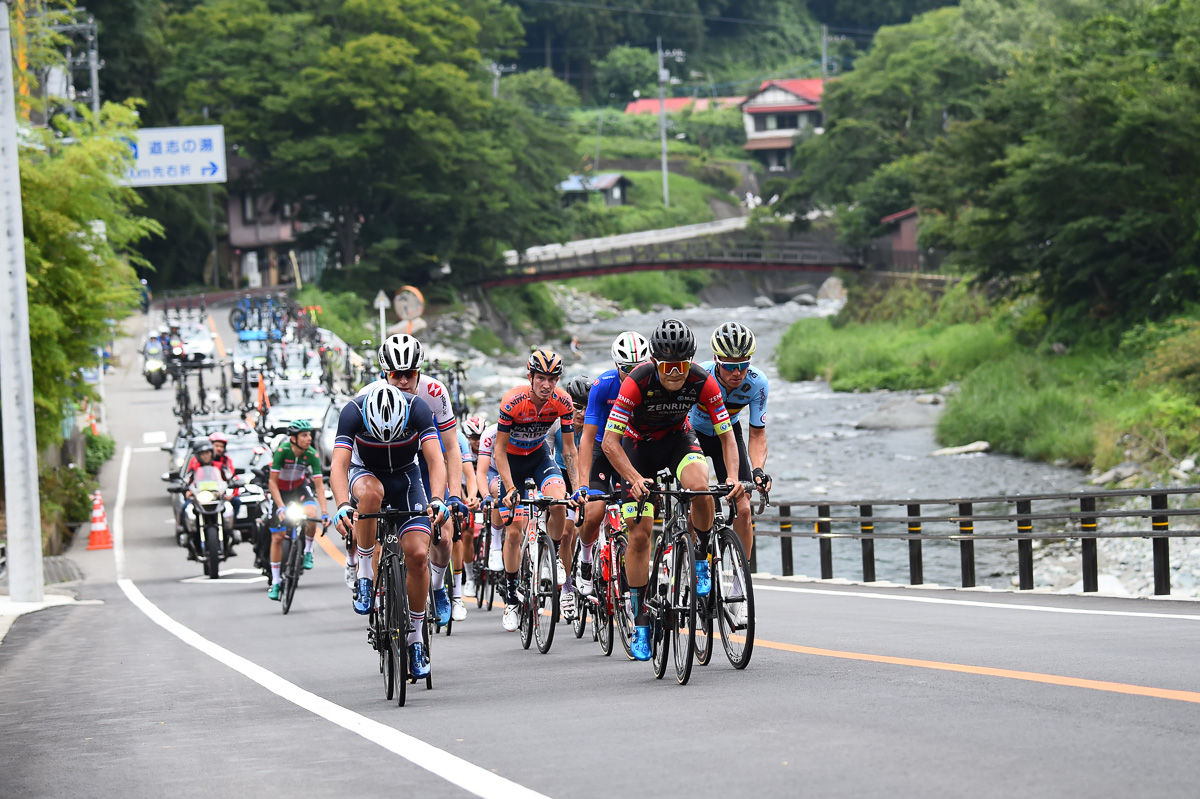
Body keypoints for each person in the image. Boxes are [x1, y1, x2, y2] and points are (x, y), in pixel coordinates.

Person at [601, 319, 745, 661]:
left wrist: (735, 477)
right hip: (637, 451)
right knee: (639, 535)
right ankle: (641, 622)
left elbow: (727, 435)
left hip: (678, 441)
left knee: (701, 487)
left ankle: (700, 560)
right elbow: (609, 442)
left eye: (682, 365)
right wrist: (634, 478)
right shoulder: (637, 382)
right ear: (655, 362)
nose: (676, 374)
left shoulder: (701, 380)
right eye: (668, 367)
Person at [331, 383, 448, 679]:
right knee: (370, 495)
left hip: (406, 480)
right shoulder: (352, 412)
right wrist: (343, 504)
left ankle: (415, 639)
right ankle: (365, 576)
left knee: (419, 556)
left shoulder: (417, 409)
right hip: (366, 475)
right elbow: (339, 464)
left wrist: (437, 498)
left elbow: (435, 459)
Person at [356, 334, 464, 627]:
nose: (403, 381)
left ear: (420, 371)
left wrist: (453, 496)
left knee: (443, 529)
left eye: (410, 374)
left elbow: (451, 447)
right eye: (396, 374)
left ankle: (439, 587)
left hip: (425, 464)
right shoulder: (369, 396)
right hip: (381, 466)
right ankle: (376, 588)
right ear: (384, 373)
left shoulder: (434, 392)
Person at [494, 349, 579, 633]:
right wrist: (508, 488)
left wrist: (577, 490)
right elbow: (499, 450)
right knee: (515, 530)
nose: (547, 384)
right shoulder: (512, 402)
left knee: (559, 501)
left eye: (552, 379)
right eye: (541, 378)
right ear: (530, 376)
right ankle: (510, 600)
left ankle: (552, 555)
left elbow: (568, 449)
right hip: (512, 463)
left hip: (540, 457)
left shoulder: (563, 402)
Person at [689, 322, 771, 583]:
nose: (737, 372)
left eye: (743, 364)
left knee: (744, 508)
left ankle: (741, 580)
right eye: (729, 365)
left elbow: (757, 433)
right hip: (695, 433)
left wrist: (757, 470)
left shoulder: (758, 384)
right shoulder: (700, 376)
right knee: (699, 495)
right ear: (716, 360)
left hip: (729, 437)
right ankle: (698, 558)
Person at [572, 331, 650, 597]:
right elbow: (587, 437)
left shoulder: (652, 381)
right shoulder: (603, 384)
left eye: (639, 368)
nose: (634, 374)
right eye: (627, 370)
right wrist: (582, 484)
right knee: (594, 513)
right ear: (617, 366)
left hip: (633, 446)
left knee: (637, 518)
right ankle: (584, 559)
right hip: (603, 447)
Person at [265, 420, 330, 601]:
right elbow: (272, 483)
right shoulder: (282, 452)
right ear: (293, 438)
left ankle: (308, 551)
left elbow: (318, 486)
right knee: (277, 537)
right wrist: (281, 507)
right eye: (304, 435)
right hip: (282, 492)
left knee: (312, 514)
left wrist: (325, 512)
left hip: (299, 489)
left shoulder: (312, 454)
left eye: (310, 435)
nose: (309, 438)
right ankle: (276, 582)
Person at [549, 373, 590, 619]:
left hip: (585, 474)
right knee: (566, 532)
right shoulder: (556, 419)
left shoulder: (594, 423)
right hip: (558, 472)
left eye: (586, 408)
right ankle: (566, 587)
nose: (581, 414)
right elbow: (544, 450)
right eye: (576, 407)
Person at [182, 440, 235, 560]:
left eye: (207, 453)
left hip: (217, 498)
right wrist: (186, 490)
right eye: (202, 454)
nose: (206, 456)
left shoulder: (219, 466)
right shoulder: (194, 468)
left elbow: (230, 478)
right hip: (199, 498)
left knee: (230, 508)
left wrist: (232, 486)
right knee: (185, 509)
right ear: (198, 456)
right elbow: (186, 481)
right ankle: (189, 541)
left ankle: (230, 535)